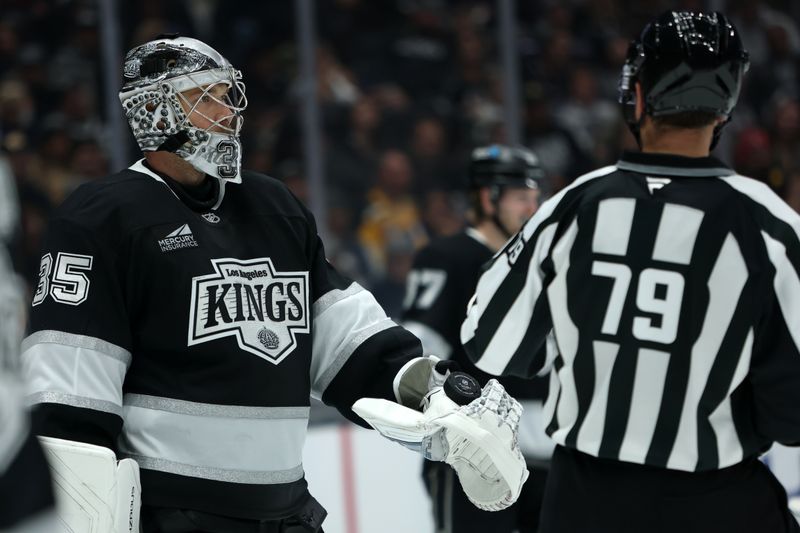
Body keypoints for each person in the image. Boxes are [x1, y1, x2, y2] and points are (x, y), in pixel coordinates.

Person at [20, 35, 525, 533]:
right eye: (204, 97)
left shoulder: (273, 207)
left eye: (226, 94)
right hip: (173, 512)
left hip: (287, 510)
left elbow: (343, 336)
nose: (226, 111)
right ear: (154, 112)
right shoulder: (103, 218)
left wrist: (432, 391)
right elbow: (71, 385)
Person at [461, 11, 800, 533]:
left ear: (638, 95)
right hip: (717, 501)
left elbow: (490, 342)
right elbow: (793, 413)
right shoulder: (769, 226)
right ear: (725, 108)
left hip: (582, 502)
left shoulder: (572, 206)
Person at [402, 144, 553, 533]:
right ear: (489, 198)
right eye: (522, 198)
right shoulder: (450, 257)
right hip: (475, 459)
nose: (532, 210)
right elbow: (419, 349)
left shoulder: (543, 266)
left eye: (536, 199)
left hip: (549, 456)